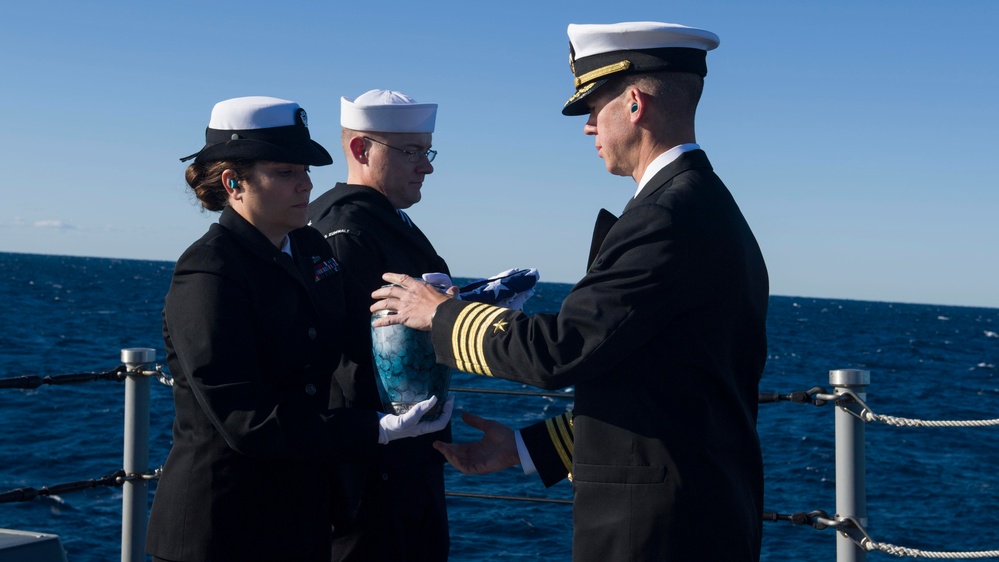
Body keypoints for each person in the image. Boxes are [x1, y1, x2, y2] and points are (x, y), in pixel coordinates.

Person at [370, 21, 769, 562]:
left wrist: (439, 313)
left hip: (657, 532)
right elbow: (659, 389)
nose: (586, 127)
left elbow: (561, 348)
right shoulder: (701, 205)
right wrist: (521, 449)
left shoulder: (667, 217)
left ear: (633, 104)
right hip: (696, 512)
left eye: (592, 106)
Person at [147, 96, 452, 562]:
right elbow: (245, 420)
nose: (306, 184)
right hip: (224, 530)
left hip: (300, 518)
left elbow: (352, 332)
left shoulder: (309, 248)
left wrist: (452, 315)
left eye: (305, 170)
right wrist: (376, 429)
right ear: (234, 183)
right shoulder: (209, 271)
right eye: (286, 172)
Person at [306, 89, 452, 561]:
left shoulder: (387, 224)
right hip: (373, 474)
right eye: (411, 151)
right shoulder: (346, 232)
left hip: (405, 461)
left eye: (426, 151)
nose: (426, 166)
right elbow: (342, 352)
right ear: (361, 150)